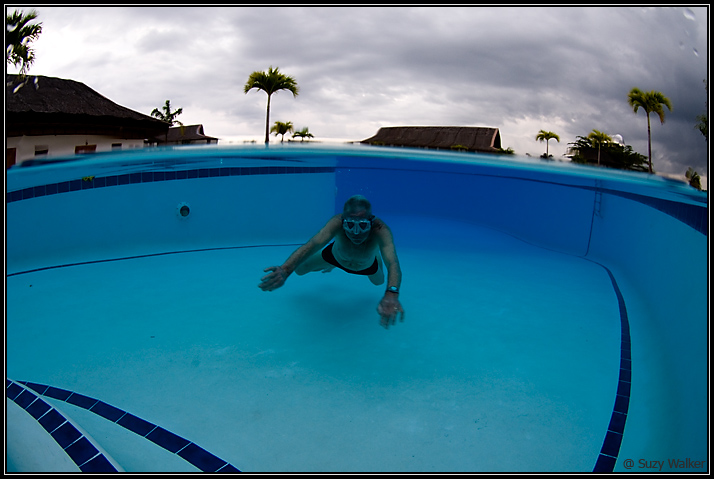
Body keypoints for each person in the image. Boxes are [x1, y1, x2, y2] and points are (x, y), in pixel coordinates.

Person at [259, 195, 405, 329]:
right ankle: (331, 264)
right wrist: (286, 269)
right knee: (300, 269)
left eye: (362, 225)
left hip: (367, 265)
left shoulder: (380, 230)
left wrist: (391, 294)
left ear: (371, 221)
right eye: (349, 225)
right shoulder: (336, 223)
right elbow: (312, 245)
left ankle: (375, 256)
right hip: (336, 257)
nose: (355, 232)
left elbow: (392, 263)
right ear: (343, 220)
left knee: (379, 282)